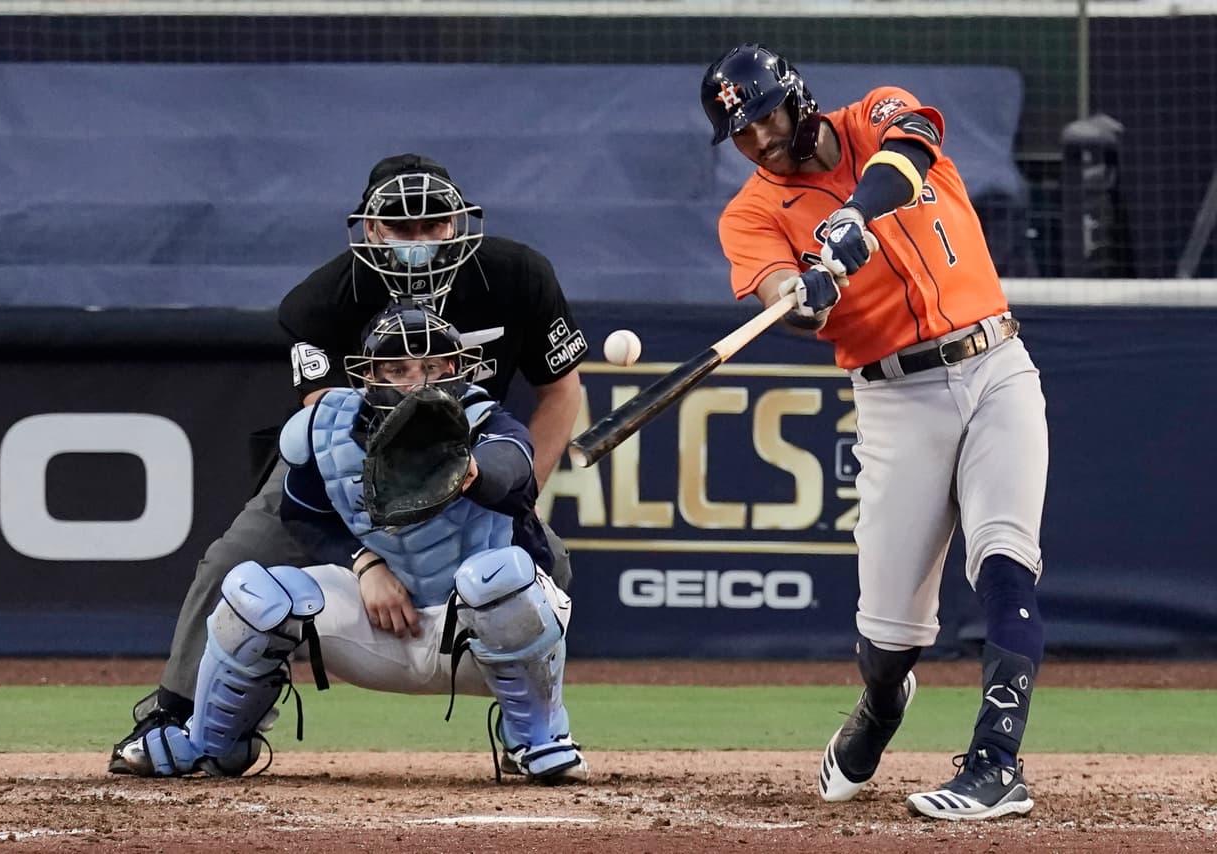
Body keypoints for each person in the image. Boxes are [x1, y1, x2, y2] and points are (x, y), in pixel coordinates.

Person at [109, 153, 588, 774]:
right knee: (233, 563)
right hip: (351, 464)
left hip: (462, 453)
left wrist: (510, 498)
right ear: (370, 230)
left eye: (432, 224)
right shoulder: (320, 302)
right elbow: (327, 434)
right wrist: (365, 558)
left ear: (457, 225)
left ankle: (536, 732)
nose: (418, 241)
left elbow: (561, 390)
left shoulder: (518, 275)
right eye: (399, 226)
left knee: (545, 566)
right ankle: (184, 716)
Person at [701, 44, 1047, 821]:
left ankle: (996, 763)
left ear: (796, 99)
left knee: (1005, 562)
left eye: (763, 118)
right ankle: (883, 704)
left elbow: (911, 151)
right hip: (897, 399)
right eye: (740, 133)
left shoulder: (877, 113)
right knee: (889, 639)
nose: (756, 139)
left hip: (996, 364)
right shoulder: (751, 212)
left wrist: (853, 217)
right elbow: (782, 294)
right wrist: (809, 288)